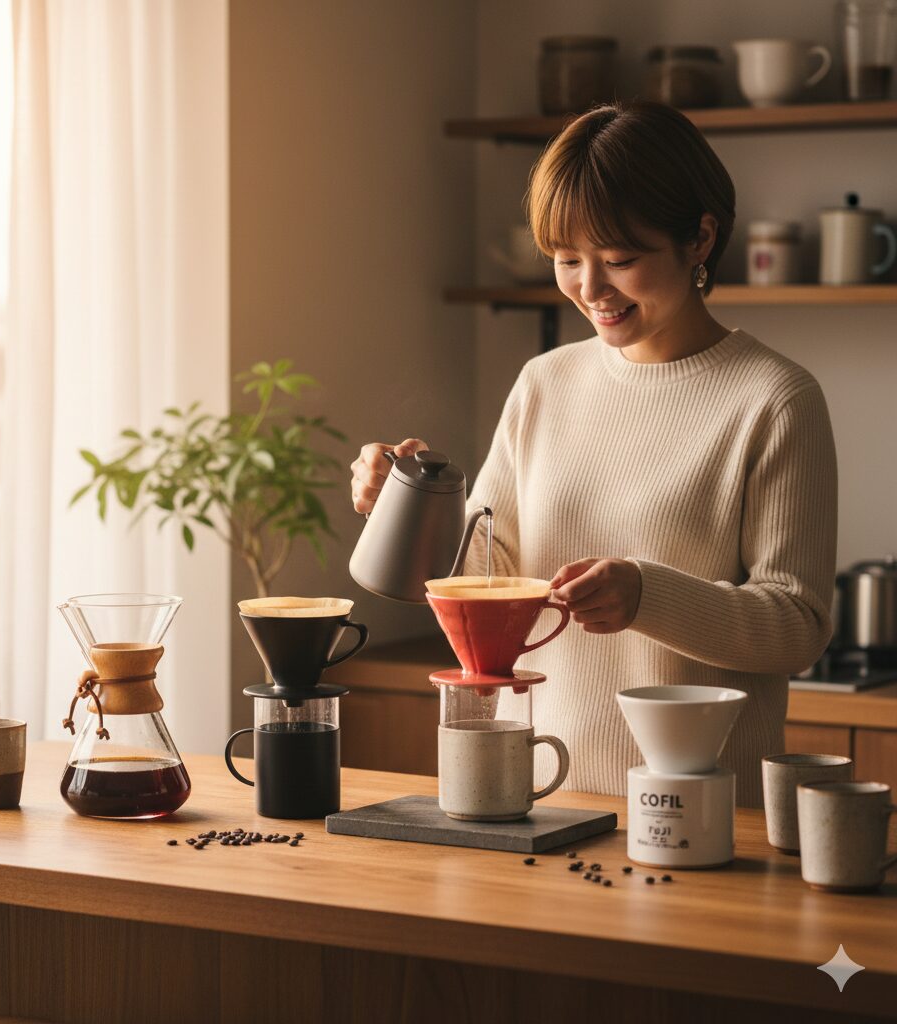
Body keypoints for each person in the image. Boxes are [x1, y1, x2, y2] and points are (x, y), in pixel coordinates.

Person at [350, 102, 837, 808]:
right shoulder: (545, 382)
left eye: (620, 260)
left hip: (702, 811)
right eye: (567, 260)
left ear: (699, 239)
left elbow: (798, 625)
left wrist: (647, 595)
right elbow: (489, 574)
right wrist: (402, 504)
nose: (589, 288)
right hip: (537, 795)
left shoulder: (775, 399)